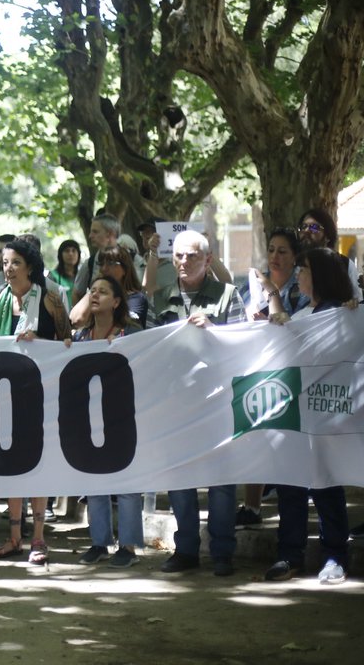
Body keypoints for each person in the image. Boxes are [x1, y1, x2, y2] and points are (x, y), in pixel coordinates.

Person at [145, 229, 245, 576]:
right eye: (178, 255)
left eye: (192, 256)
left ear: (208, 259)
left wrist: (214, 329)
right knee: (180, 479)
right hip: (176, 405)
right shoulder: (160, 299)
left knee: (222, 481)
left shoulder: (228, 295)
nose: (184, 261)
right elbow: (150, 349)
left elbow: (244, 344)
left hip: (218, 403)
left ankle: (222, 553)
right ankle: (186, 550)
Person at [261, 246, 353, 584]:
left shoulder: (341, 313)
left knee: (326, 484)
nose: (298, 274)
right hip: (293, 413)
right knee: (290, 486)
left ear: (321, 275)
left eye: (304, 269)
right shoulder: (302, 311)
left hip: (324, 417)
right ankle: (289, 555)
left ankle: (335, 557)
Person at [0, 238, 70, 565]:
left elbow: (67, 340)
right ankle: (14, 537)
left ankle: (39, 538)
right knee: (12, 463)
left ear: (30, 266)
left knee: (38, 463)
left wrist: (40, 341)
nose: (9, 269)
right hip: (4, 394)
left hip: (40, 393)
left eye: (16, 262)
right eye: (5, 262)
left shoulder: (50, 298)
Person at [235, 227, 310, 528]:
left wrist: (271, 298)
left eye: (282, 251)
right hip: (255, 369)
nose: (275, 257)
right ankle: (251, 507)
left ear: (294, 257)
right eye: (271, 250)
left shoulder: (301, 287)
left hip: (291, 373)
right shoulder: (250, 285)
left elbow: (298, 327)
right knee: (254, 434)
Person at [73, 275, 143, 567]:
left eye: (102, 292)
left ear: (116, 302)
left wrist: (127, 349)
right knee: (95, 483)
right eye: (92, 290)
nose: (95, 295)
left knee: (127, 484)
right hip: (91, 421)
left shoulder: (132, 333)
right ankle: (99, 543)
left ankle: (128, 547)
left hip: (125, 419)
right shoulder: (80, 338)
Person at [69, 245, 147, 328]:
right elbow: (75, 319)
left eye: (111, 263)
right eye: (101, 264)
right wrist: (95, 288)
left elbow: (127, 326)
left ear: (125, 269)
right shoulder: (96, 296)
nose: (104, 269)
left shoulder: (136, 298)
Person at [297, 208, 361, 300]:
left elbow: (356, 301)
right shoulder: (292, 263)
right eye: (303, 227)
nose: (307, 231)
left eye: (314, 227)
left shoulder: (344, 264)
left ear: (328, 236)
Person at [71, 214, 120, 303]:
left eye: (95, 232)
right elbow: (76, 293)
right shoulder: (90, 263)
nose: (90, 236)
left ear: (109, 234)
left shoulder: (132, 260)